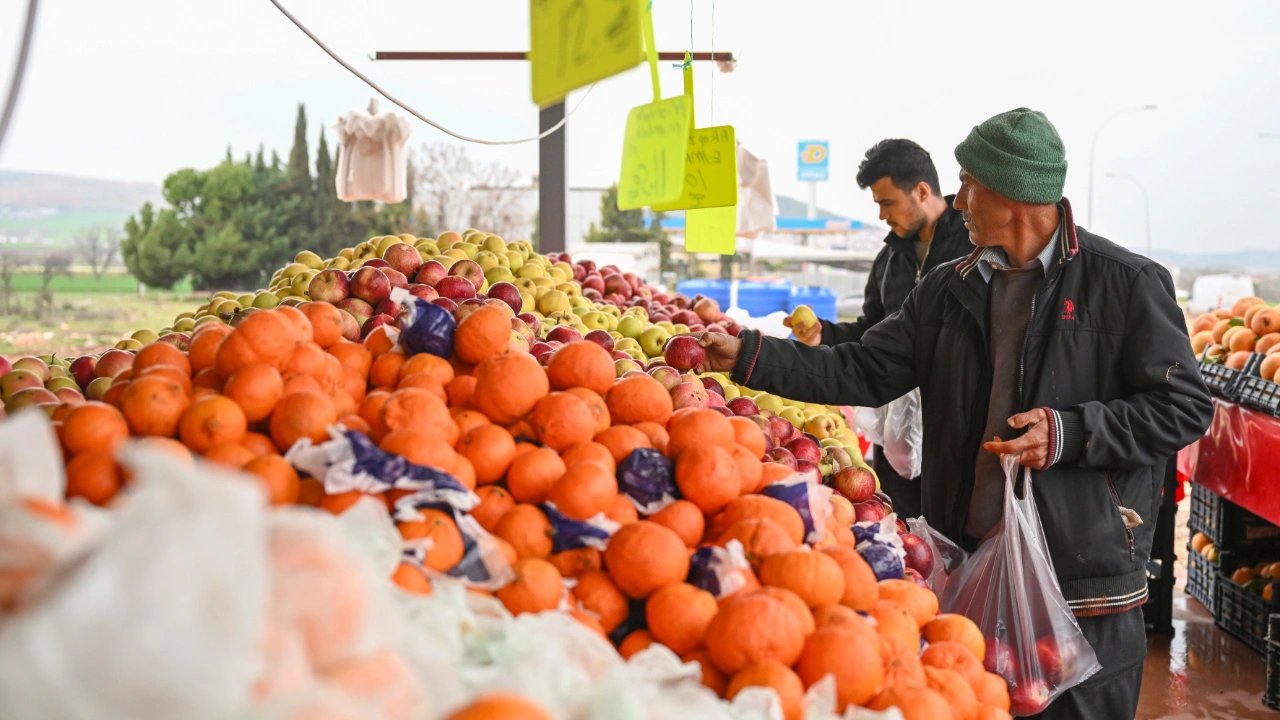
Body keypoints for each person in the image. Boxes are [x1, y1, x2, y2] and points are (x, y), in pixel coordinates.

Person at [697, 108, 1212, 719]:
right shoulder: (949, 287)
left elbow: (1183, 408)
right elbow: (861, 367)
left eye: (968, 183)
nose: (957, 198)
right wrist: (749, 355)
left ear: (1012, 195)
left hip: (1084, 587)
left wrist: (1069, 432)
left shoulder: (1126, 284)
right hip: (968, 572)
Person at [786, 138, 972, 519]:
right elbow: (873, 329)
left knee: (950, 529)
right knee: (900, 526)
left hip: (953, 429)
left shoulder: (970, 246)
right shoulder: (889, 259)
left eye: (887, 203)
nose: (883, 216)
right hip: (894, 428)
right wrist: (824, 335)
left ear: (922, 191)